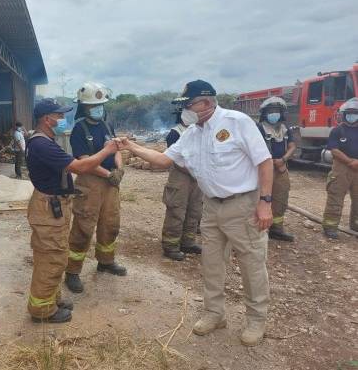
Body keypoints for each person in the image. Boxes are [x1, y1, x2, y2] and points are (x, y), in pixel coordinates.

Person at [115, 80, 273, 347]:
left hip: (242, 205)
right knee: (211, 263)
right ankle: (214, 313)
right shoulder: (192, 133)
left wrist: (265, 202)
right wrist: (130, 146)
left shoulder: (237, 122)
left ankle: (256, 319)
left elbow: (264, 161)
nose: (185, 109)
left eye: (189, 104)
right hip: (211, 207)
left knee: (252, 265)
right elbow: (164, 160)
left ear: (206, 103)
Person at [26, 98, 118, 323]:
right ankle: (42, 310)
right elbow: (80, 166)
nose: (62, 119)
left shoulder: (45, 139)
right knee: (51, 256)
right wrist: (107, 150)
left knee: (56, 253)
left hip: (53, 204)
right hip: (48, 206)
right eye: (59, 116)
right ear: (47, 119)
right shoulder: (42, 144)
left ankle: (51, 298)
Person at [64, 82, 127, 294]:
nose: (98, 108)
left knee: (110, 223)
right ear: (84, 107)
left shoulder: (107, 126)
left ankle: (106, 261)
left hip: (111, 184)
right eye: (94, 105)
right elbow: (84, 160)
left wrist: (119, 169)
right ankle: (72, 272)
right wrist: (108, 174)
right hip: (90, 183)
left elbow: (117, 149)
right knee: (83, 226)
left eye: (101, 104)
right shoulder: (78, 131)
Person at [161, 99, 203, 261]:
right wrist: (192, 170)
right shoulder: (175, 133)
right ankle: (171, 245)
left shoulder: (199, 130)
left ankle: (188, 242)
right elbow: (174, 159)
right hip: (180, 176)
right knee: (176, 210)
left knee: (194, 210)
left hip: (196, 176)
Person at [256, 97, 297, 242]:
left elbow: (292, 146)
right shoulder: (259, 128)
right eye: (271, 111)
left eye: (277, 111)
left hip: (281, 168)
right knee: (261, 197)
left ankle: (276, 229)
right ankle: (260, 229)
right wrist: (270, 162)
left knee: (281, 198)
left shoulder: (285, 129)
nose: (274, 114)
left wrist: (283, 160)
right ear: (265, 113)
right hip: (264, 169)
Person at [322, 97, 358, 239]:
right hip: (341, 168)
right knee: (335, 198)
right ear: (343, 114)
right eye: (349, 113)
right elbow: (334, 149)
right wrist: (350, 162)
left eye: (355, 113)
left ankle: (355, 225)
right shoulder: (337, 130)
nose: (352, 116)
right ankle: (330, 227)